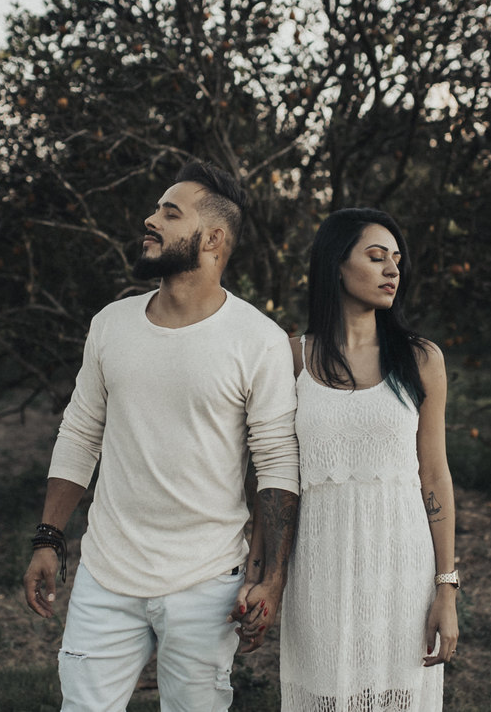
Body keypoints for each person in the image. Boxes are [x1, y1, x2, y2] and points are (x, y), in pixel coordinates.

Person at [23, 161, 300, 712]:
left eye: (170, 214)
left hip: (207, 581)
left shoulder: (258, 340)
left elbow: (276, 464)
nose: (150, 221)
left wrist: (272, 580)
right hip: (107, 573)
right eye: (156, 210)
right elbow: (80, 434)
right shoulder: (111, 324)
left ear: (213, 238)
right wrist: (48, 538)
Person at [273, 207, 458, 710]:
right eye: (376, 258)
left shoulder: (421, 359)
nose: (392, 270)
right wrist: (265, 573)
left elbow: (435, 475)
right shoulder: (291, 356)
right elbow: (270, 472)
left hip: (402, 566)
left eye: (397, 260)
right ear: (336, 264)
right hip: (319, 566)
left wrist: (447, 589)